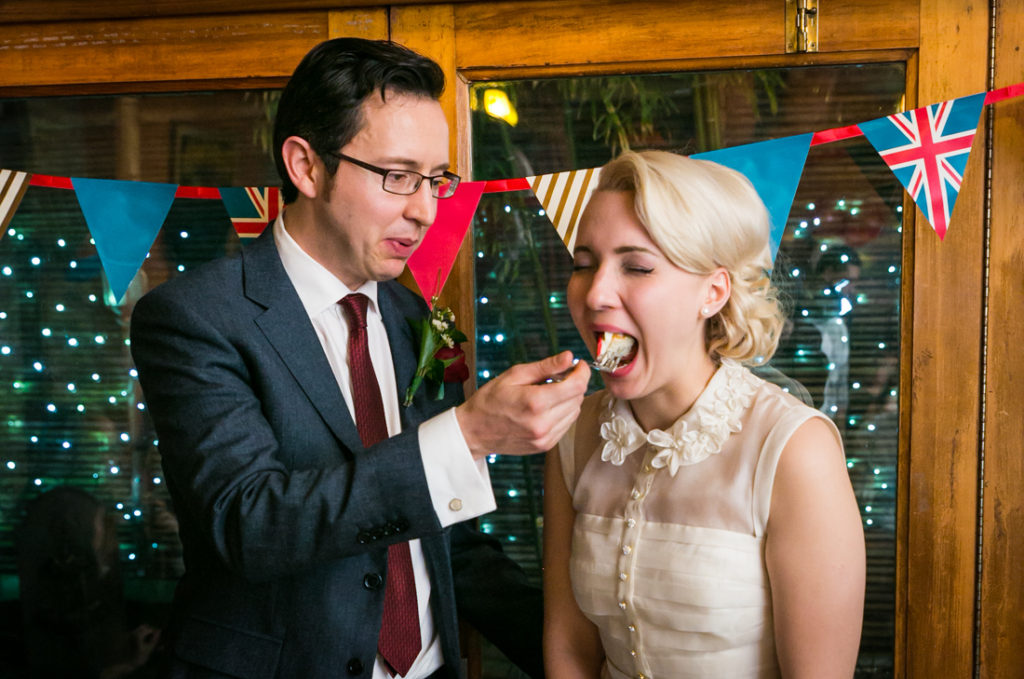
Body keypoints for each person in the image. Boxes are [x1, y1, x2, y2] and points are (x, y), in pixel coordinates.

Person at [129, 37, 589, 679]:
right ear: (307, 166)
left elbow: (449, 541)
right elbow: (249, 524)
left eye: (437, 181)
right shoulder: (194, 317)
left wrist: (581, 663)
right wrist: (467, 433)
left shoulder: (412, 318)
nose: (425, 210)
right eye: (398, 177)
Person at [543, 150, 865, 678]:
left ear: (713, 292)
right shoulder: (574, 434)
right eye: (583, 264)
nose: (595, 293)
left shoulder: (795, 449)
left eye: (637, 266)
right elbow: (569, 646)